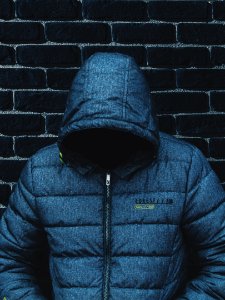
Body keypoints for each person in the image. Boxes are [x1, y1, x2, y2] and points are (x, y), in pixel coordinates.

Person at [0, 52, 225, 300]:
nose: (106, 139)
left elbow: (220, 259)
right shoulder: (42, 173)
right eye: (95, 132)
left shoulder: (184, 168)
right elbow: (8, 259)